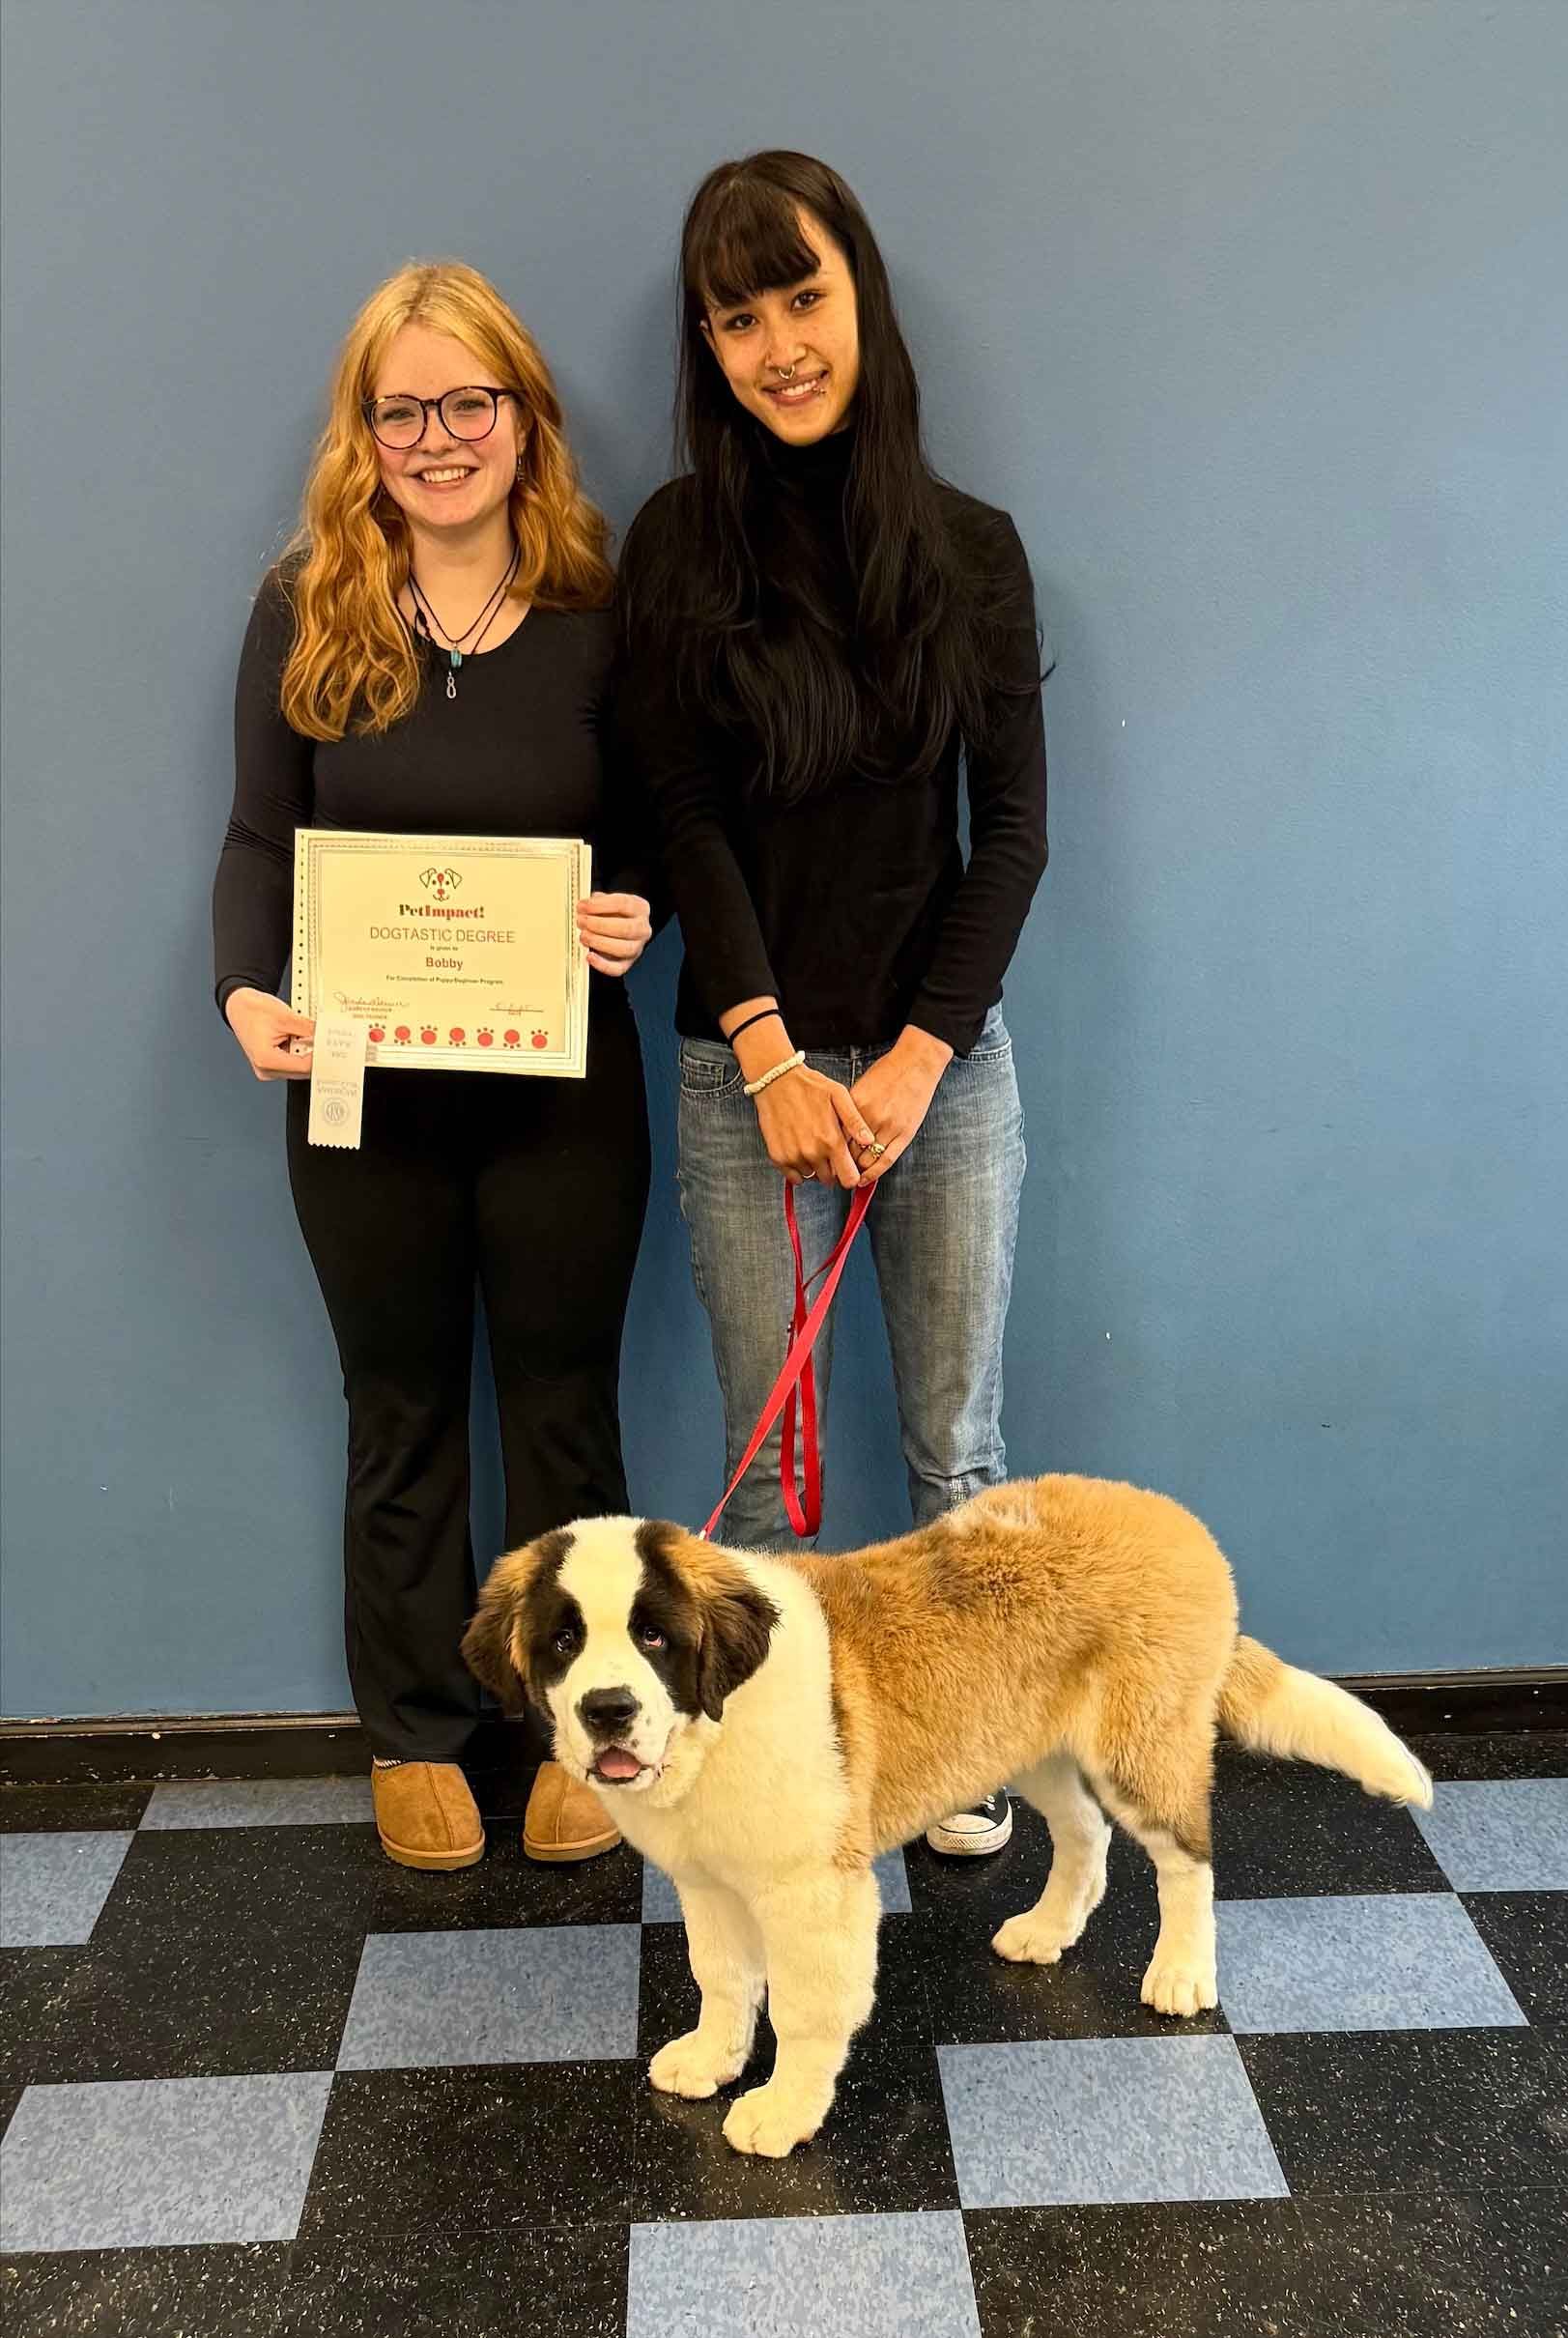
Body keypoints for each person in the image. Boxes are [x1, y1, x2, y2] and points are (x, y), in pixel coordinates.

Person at [617, 154, 1047, 1856]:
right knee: (771, 1457)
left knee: (956, 1445)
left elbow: (1009, 833)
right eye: (738, 318)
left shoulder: (974, 551)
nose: (779, 346)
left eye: (802, 300)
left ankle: (960, 1752)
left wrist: (925, 1055)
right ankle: (798, 1766)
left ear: (859, 298)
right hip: (747, 1078)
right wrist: (774, 1054)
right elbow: (685, 827)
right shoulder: (677, 549)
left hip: (947, 1064)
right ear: (707, 347)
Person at [214, 261, 656, 1871]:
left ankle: (578, 1725)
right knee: (397, 1409)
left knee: (562, 1409)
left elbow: (662, 825)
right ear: (365, 431)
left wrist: (634, 906)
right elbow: (262, 836)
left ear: (524, 421)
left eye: (468, 403)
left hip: (564, 1095)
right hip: (358, 1101)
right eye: (402, 409)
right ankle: (410, 1728)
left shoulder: (605, 611)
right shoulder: (305, 602)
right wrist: (240, 993)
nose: (436, 437)